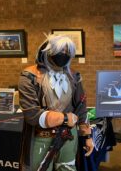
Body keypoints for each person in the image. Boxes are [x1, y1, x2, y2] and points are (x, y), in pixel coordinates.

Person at [18, 34, 94, 171]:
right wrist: (65, 118)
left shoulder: (74, 76)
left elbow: (81, 108)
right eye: (60, 50)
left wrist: (87, 135)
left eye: (67, 52)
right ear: (48, 50)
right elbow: (32, 114)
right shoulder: (30, 76)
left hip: (69, 138)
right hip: (41, 137)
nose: (63, 54)